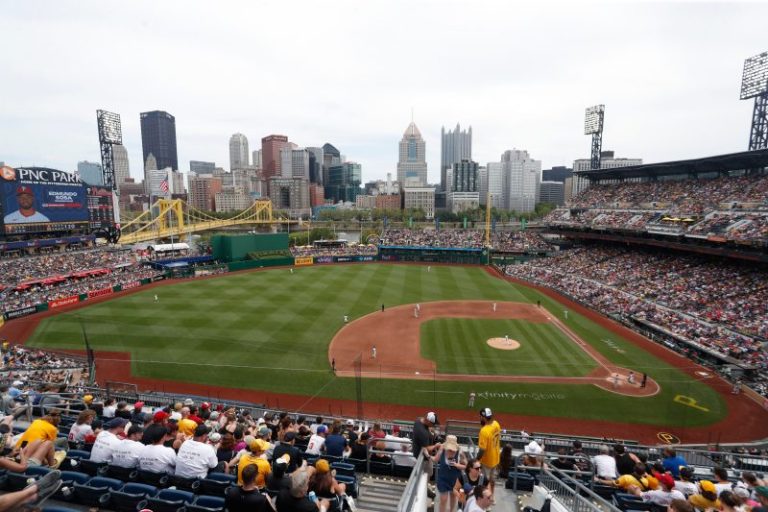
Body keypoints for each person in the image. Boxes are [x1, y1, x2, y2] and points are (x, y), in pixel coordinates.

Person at [434, 435, 465, 512]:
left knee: (453, 498)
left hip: (455, 479)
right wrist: (428, 455)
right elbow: (435, 459)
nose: (451, 450)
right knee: (443, 500)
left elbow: (467, 466)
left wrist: (457, 465)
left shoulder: (459, 451)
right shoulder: (442, 448)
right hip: (443, 479)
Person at [476, 408, 501, 493]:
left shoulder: (484, 431)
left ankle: (485, 497)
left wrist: (476, 459)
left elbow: (482, 449)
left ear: (483, 417)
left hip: (487, 461)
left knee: (484, 482)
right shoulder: (496, 424)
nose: (480, 418)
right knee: (492, 480)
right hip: (496, 459)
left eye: (480, 416)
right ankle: (492, 496)